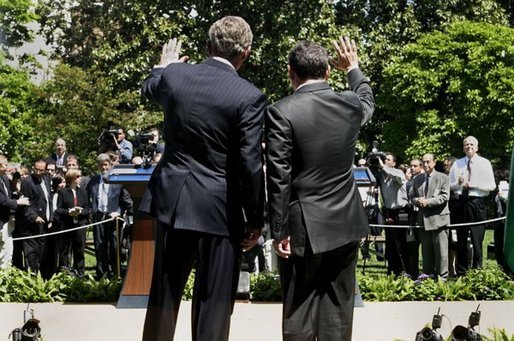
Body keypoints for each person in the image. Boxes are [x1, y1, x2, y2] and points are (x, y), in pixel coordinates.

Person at [140, 16, 266, 341]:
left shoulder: (176, 75)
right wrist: (255, 218)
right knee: (214, 304)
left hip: (173, 203)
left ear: (208, 46)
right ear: (246, 53)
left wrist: (162, 66)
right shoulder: (249, 96)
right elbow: (250, 163)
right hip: (220, 210)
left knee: (163, 298)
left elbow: (149, 88)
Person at [266, 37, 374, 340]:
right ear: (328, 71)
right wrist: (352, 67)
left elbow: (278, 177)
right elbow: (366, 97)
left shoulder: (281, 111)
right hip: (346, 222)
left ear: (291, 71)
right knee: (339, 309)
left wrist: (278, 229)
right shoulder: (349, 103)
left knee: (299, 310)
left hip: (304, 225)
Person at [449, 136, 496, 275]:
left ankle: (477, 271)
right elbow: (450, 186)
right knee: (461, 241)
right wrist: (458, 183)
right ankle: (462, 272)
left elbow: (491, 186)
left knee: (477, 241)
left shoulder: (484, 163)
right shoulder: (457, 164)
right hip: (461, 203)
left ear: (477, 147)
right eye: (466, 144)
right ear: (463, 147)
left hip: (477, 203)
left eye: (471, 144)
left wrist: (474, 185)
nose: (469, 146)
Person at [87, 153, 133, 279]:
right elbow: (87, 198)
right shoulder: (93, 181)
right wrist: (91, 210)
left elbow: (125, 200)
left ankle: (116, 273)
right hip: (99, 218)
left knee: (114, 246)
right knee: (99, 246)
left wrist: (118, 212)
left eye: (106, 165)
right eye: (101, 165)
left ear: (110, 165)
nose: (104, 168)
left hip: (114, 218)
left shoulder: (118, 180)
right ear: (98, 166)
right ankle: (102, 274)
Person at [410, 154, 450, 278]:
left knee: (441, 253)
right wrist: (417, 201)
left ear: (434, 162)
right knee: (426, 253)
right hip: (423, 221)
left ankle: (442, 278)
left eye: (428, 162)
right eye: (424, 162)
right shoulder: (417, 179)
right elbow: (412, 197)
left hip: (439, 220)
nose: (426, 165)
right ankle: (427, 277)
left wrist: (428, 202)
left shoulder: (443, 177)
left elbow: (444, 196)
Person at [19, 159, 54, 277]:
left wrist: (51, 218)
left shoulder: (47, 180)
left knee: (41, 254)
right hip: (31, 226)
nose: (38, 172)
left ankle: (41, 279)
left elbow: (49, 201)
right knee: (31, 255)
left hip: (44, 225)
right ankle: (32, 280)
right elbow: (25, 204)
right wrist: (34, 217)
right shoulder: (27, 182)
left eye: (41, 170)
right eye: (36, 169)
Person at [55, 169, 90, 276]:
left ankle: (80, 273)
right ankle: (65, 273)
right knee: (65, 250)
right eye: (78, 176)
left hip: (80, 225)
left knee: (79, 250)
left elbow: (88, 208)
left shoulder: (83, 191)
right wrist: (68, 213)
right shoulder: (63, 192)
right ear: (72, 178)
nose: (80, 178)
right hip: (67, 225)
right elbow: (59, 209)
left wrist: (81, 212)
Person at [378, 152, 408, 275]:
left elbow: (398, 178)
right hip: (388, 211)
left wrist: (383, 166)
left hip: (400, 211)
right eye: (384, 159)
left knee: (400, 242)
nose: (384, 161)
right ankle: (391, 268)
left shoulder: (398, 173)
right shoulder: (381, 176)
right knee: (390, 242)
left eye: (387, 159)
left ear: (394, 163)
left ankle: (401, 269)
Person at [0, 155, 29, 268]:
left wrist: (17, 191)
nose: (8, 167)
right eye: (5, 165)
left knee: (7, 251)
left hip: (7, 221)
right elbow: (3, 201)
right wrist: (18, 202)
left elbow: (10, 196)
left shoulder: (5, 179)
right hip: (0, 221)